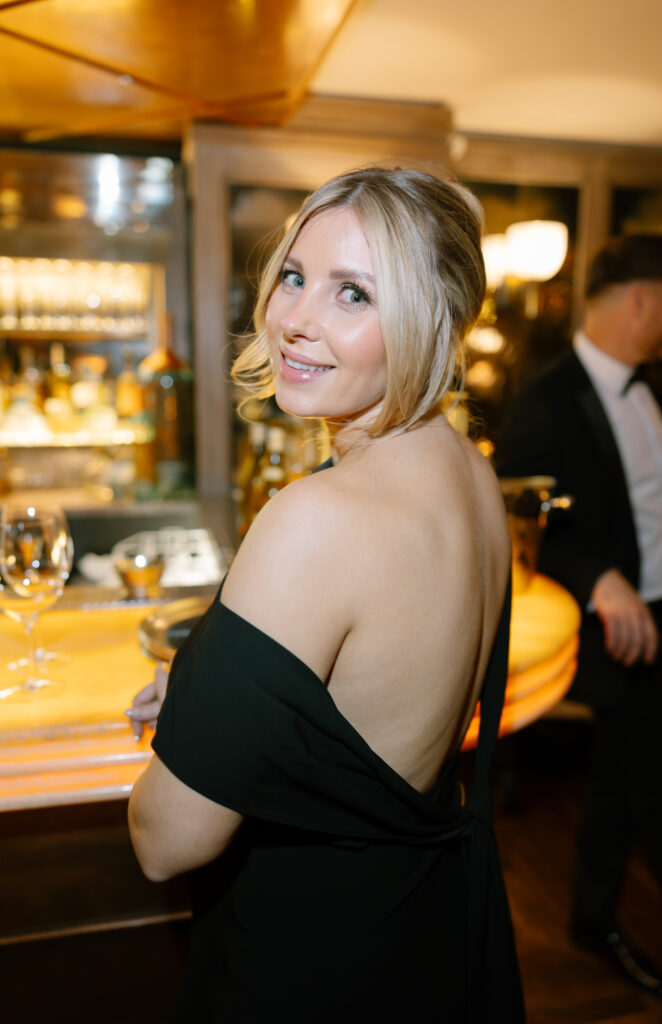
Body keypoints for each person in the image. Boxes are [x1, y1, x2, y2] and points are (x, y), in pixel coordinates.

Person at [127, 166, 525, 1022]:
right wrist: (215, 695)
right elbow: (370, 710)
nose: (295, 320)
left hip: (309, 958)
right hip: (420, 933)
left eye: (353, 293)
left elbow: (165, 840)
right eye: (295, 277)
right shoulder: (470, 473)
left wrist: (187, 725)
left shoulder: (319, 518)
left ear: (435, 322)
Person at [495, 233, 662, 998]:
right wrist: (598, 576)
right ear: (638, 300)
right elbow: (516, 517)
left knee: (618, 778)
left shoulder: (660, 390)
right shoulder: (544, 399)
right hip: (621, 631)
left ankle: (590, 919)